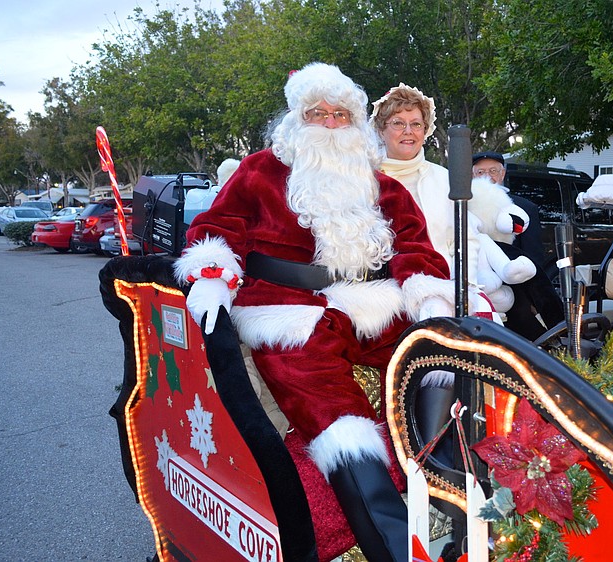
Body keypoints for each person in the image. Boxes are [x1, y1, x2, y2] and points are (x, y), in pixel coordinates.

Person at [174, 62, 456, 562]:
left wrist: (429, 299)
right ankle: (395, 548)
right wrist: (212, 275)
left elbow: (414, 243)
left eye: (339, 115)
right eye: (317, 113)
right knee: (335, 418)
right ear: (296, 119)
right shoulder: (260, 170)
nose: (329, 124)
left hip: (370, 306)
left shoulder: (376, 182)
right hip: (285, 314)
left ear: (354, 123)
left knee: (439, 358)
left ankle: (448, 494)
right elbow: (218, 227)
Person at [369, 83, 536, 319]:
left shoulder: (444, 178)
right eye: (398, 123)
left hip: (445, 289)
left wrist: (463, 289)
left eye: (416, 124)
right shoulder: (365, 180)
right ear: (380, 130)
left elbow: (466, 238)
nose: (408, 131)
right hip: (385, 296)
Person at [471, 151, 565, 338]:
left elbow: (533, 255)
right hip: (474, 281)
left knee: (521, 320)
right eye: (481, 172)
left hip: (514, 283)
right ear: (473, 174)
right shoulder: (463, 205)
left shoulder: (523, 208)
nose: (487, 177)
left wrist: (532, 299)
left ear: (502, 174)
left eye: (493, 171)